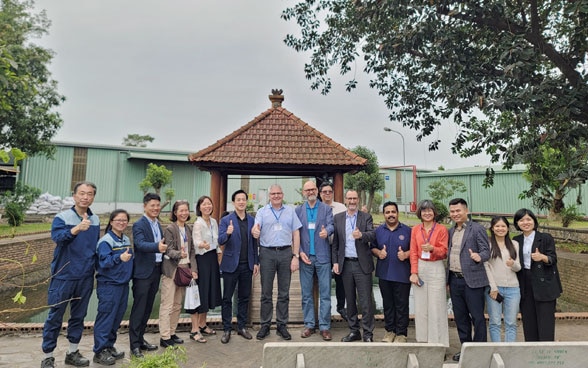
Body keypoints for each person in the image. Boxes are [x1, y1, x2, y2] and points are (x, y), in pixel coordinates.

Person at [41, 181, 100, 368]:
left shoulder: (95, 220)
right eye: (82, 193)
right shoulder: (62, 217)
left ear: (93, 197)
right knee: (55, 315)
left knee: (78, 316)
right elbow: (57, 238)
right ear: (74, 196)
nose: (85, 197)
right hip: (64, 275)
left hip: (85, 275)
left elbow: (93, 248)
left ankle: (72, 352)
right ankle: (48, 356)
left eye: (89, 194)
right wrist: (75, 229)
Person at [252, 184, 302, 341]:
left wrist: (296, 256)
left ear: (283, 194)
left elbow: (296, 233)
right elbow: (255, 228)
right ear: (269, 196)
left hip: (286, 252)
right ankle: (265, 325)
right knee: (266, 292)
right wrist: (255, 231)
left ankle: (282, 325)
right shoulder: (262, 211)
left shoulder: (290, 211)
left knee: (284, 292)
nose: (276, 196)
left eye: (278, 193)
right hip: (267, 253)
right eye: (273, 193)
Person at [447, 198, 490, 361]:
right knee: (461, 318)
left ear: (466, 211)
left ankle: (479, 351)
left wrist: (479, 256)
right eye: (452, 211)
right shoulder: (450, 231)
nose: (455, 214)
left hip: (473, 280)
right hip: (454, 279)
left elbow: (486, 251)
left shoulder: (477, 229)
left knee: (477, 317)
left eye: (458, 210)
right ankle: (466, 349)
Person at [332, 189, 376, 342]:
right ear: (345, 200)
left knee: (365, 302)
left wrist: (362, 235)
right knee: (349, 301)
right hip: (345, 264)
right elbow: (336, 243)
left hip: (361, 264)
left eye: (354, 198)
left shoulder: (366, 217)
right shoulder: (338, 218)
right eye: (349, 198)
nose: (352, 201)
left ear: (358, 200)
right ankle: (354, 331)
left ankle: (368, 333)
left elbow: (372, 234)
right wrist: (335, 262)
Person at [513, 208, 562, 341]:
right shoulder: (516, 240)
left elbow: (553, 259)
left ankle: (546, 353)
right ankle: (531, 351)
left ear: (534, 221)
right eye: (521, 220)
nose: (525, 222)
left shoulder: (545, 238)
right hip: (524, 281)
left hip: (544, 283)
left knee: (545, 321)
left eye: (528, 219)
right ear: (517, 223)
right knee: (528, 321)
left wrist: (542, 257)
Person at [128, 193, 168, 358]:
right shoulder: (139, 224)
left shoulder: (158, 224)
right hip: (143, 272)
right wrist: (157, 247)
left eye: (158, 205)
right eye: (152, 205)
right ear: (145, 206)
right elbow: (140, 244)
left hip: (156, 270)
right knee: (139, 308)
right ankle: (134, 345)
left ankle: (141, 339)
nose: (156, 208)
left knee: (148, 308)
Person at [217, 189, 259, 344]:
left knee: (244, 297)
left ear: (246, 202)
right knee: (227, 298)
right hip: (230, 265)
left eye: (243, 199)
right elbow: (220, 241)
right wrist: (227, 233)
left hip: (247, 265)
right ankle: (227, 328)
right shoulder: (226, 220)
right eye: (238, 199)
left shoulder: (252, 220)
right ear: (233, 202)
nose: (241, 202)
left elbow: (255, 243)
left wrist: (256, 261)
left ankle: (241, 327)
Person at [93, 209, 133, 365]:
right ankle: (99, 351)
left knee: (116, 318)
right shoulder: (106, 241)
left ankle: (109, 346)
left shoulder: (126, 239)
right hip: (109, 285)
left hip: (122, 284)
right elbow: (103, 263)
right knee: (106, 317)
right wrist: (119, 257)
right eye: (118, 220)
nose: (122, 222)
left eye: (124, 220)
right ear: (111, 222)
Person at [295, 180, 334, 341]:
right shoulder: (298, 210)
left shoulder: (326, 209)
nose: (310, 192)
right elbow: (295, 233)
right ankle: (309, 324)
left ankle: (324, 327)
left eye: (312, 189)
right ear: (303, 193)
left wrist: (328, 232)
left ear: (317, 191)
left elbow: (332, 225)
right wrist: (299, 252)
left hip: (323, 256)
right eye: (307, 190)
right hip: (306, 257)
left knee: (325, 294)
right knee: (306, 294)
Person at [409, 199, 449, 347]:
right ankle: (423, 342)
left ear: (434, 212)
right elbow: (413, 252)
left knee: (436, 307)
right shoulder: (415, 229)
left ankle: (439, 344)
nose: (427, 213)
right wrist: (414, 272)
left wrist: (433, 249)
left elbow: (444, 252)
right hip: (420, 267)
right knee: (421, 307)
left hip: (436, 267)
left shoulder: (441, 229)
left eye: (430, 210)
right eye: (424, 210)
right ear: (420, 212)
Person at [159, 200, 198, 347]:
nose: (184, 213)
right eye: (181, 210)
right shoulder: (170, 228)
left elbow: (192, 251)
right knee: (167, 304)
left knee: (177, 304)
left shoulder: (188, 228)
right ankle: (164, 336)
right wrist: (179, 254)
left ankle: (172, 332)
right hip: (172, 270)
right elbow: (167, 249)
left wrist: (194, 269)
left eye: (186, 210)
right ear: (175, 212)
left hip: (184, 270)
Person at [372, 201, 411, 343]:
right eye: (387, 212)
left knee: (401, 304)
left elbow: (415, 249)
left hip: (402, 274)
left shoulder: (407, 230)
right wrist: (378, 253)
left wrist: (406, 254)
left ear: (397, 213)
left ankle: (401, 333)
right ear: (384, 215)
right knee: (387, 304)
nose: (391, 215)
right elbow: (372, 247)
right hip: (384, 274)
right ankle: (390, 332)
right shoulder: (378, 231)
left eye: (393, 212)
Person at [483, 216, 521, 342]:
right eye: (497, 226)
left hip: (513, 288)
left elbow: (518, 267)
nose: (500, 229)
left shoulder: (514, 244)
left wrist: (513, 264)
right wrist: (493, 287)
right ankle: (497, 349)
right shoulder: (487, 244)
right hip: (494, 288)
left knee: (511, 323)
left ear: (508, 228)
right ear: (492, 228)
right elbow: (486, 266)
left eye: (503, 226)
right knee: (495, 322)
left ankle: (509, 351)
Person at [191, 195, 222, 340]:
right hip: (202, 258)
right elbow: (196, 241)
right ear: (199, 207)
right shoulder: (198, 223)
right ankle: (194, 329)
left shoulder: (214, 221)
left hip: (212, 258)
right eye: (204, 204)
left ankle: (203, 324)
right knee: (200, 292)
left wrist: (218, 254)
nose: (207, 206)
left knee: (209, 291)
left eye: (209, 204)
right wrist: (203, 245)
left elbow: (216, 242)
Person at [318, 182, 347, 321]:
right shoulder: (316, 208)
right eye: (324, 191)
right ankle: (322, 313)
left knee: (340, 277)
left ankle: (341, 306)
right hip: (321, 248)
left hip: (338, 248)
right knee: (322, 281)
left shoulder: (341, 208)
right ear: (320, 193)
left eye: (330, 191)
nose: (327, 194)